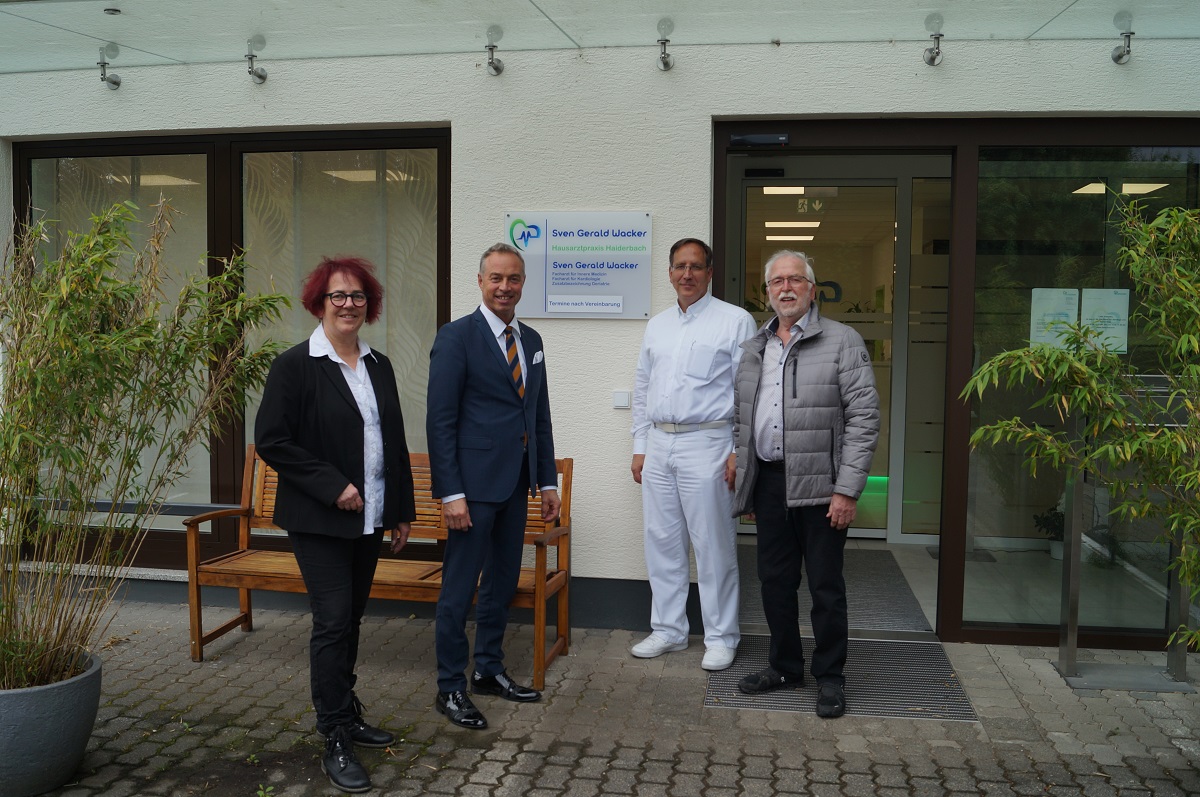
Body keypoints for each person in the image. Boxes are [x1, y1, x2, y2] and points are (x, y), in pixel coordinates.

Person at [255, 256, 416, 793]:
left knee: (351, 621)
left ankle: (347, 714)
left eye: (358, 297)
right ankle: (334, 737)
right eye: (338, 297)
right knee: (333, 620)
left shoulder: (379, 365)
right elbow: (274, 441)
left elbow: (392, 442)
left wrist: (401, 510)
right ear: (319, 304)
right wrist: (332, 484)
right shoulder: (296, 366)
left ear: (369, 306)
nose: (349, 305)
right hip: (320, 519)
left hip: (370, 518)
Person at [731, 249, 879, 719]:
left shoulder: (843, 341)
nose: (787, 288)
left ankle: (830, 677)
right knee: (774, 583)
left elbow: (864, 419)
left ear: (812, 290)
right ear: (768, 291)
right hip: (771, 483)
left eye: (796, 280)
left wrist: (847, 489)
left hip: (822, 488)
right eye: (778, 281)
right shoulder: (755, 347)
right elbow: (743, 418)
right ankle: (784, 667)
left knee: (825, 588)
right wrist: (747, 478)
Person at [427, 242, 560, 730]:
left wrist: (546, 481)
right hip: (473, 490)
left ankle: (488, 670)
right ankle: (449, 688)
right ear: (479, 281)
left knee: (501, 584)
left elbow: (538, 416)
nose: (505, 287)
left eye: (515, 279)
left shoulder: (531, 338)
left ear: (524, 283)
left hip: (516, 486)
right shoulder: (456, 337)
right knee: (458, 592)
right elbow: (440, 421)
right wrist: (451, 493)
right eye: (496, 278)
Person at [629, 237, 757, 671]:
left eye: (696, 266)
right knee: (662, 540)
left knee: (713, 543)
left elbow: (748, 392)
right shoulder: (658, 325)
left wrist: (741, 451)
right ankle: (668, 629)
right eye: (680, 266)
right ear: (669, 273)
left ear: (710, 272)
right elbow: (643, 387)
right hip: (660, 443)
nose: (687, 274)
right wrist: (640, 445)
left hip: (710, 442)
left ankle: (722, 636)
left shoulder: (735, 321)